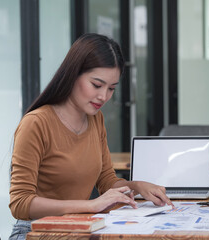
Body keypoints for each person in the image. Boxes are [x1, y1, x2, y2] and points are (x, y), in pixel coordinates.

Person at [9, 33, 172, 240]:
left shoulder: (96, 119)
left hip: (78, 228)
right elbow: (20, 203)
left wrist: (137, 186)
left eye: (111, 88)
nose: (103, 96)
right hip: (35, 231)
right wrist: (90, 205)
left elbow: (106, 181)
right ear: (73, 74)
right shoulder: (36, 123)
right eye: (96, 85)